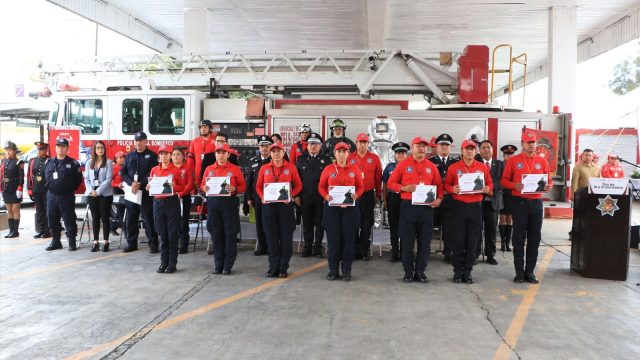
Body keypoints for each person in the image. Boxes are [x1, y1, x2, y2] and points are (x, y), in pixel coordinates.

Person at [387, 137, 443, 283]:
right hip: (408, 207)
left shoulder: (432, 166)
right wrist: (404, 188)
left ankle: (420, 271)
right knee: (407, 241)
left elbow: (440, 188)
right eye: (418, 146)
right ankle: (408, 272)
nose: (422, 149)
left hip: (426, 209)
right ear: (412, 147)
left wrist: (439, 199)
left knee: (425, 242)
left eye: (424, 146)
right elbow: (390, 183)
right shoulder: (402, 165)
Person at [500, 130, 552, 284]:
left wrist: (549, 185)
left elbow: (549, 180)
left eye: (533, 143)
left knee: (534, 239)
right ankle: (519, 273)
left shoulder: (542, 161)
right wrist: (513, 185)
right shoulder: (514, 161)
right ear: (522, 144)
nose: (531, 146)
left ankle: (530, 272)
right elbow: (503, 180)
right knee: (518, 239)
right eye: (528, 143)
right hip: (520, 204)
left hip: (536, 204)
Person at [444, 140, 493, 283]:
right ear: (462, 151)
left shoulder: (482, 167)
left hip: (476, 208)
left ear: (476, 151)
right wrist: (452, 189)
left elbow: (489, 183)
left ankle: (468, 272)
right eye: (467, 149)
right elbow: (446, 184)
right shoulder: (454, 167)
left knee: (473, 241)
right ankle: (457, 272)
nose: (470, 151)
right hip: (458, 207)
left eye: (472, 149)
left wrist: (488, 189)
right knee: (457, 241)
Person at [256, 142, 303, 278]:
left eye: (279, 151)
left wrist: (292, 195)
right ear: (270, 153)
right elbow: (258, 187)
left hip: (285, 207)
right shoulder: (264, 168)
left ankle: (283, 267)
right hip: (269, 207)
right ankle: (273, 267)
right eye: (273, 151)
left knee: (286, 238)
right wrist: (262, 196)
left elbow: (299, 185)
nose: (276, 153)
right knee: (271, 237)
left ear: (283, 153)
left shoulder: (291, 168)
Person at [318, 142, 364, 281]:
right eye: (339, 151)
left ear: (348, 154)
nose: (342, 154)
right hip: (332, 210)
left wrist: (357, 195)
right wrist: (326, 196)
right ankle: (333, 270)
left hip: (350, 210)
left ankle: (346, 270)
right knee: (333, 240)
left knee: (349, 241)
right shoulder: (328, 169)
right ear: (335, 153)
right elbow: (321, 187)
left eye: (344, 151)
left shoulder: (354, 169)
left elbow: (361, 187)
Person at [202, 143, 246, 274]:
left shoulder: (235, 169)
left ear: (228, 154)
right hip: (213, 204)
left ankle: (228, 265)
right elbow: (202, 184)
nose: (221, 155)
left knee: (230, 234)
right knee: (216, 235)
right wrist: (204, 188)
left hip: (229, 204)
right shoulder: (209, 169)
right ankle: (218, 264)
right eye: (218, 153)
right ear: (215, 155)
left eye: (223, 153)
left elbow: (243, 186)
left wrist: (235, 189)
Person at [120, 131, 159, 253]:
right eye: (136, 141)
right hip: (131, 191)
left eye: (141, 140)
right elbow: (123, 172)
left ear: (146, 141)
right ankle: (131, 243)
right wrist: (131, 183)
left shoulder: (152, 156)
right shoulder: (130, 155)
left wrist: (139, 183)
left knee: (148, 219)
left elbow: (152, 173)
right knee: (131, 219)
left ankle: (153, 244)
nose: (138, 143)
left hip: (145, 192)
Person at [148, 145, 185, 273]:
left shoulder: (175, 170)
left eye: (166, 153)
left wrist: (175, 186)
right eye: (161, 154)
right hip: (158, 203)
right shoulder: (154, 170)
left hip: (171, 202)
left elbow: (182, 186)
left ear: (170, 155)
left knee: (172, 234)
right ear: (159, 156)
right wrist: (149, 187)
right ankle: (163, 262)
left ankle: (172, 263)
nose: (164, 156)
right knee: (162, 234)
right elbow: (151, 184)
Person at [296, 132, 331, 258]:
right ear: (307, 145)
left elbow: (329, 181)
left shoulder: (326, 160)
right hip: (305, 197)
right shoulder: (300, 160)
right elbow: (296, 180)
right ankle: (307, 247)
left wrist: (327, 196)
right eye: (311, 144)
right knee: (307, 223)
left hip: (320, 198)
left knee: (320, 224)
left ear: (320, 146)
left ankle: (318, 247)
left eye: (316, 144)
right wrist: (297, 196)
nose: (313, 146)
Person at [44, 137, 83, 251]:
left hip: (66, 196)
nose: (60, 149)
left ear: (67, 149)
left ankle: (72, 242)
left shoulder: (73, 163)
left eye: (63, 146)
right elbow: (46, 178)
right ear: (55, 148)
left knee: (69, 219)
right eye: (58, 146)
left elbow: (78, 180)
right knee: (52, 219)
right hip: (51, 195)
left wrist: (68, 188)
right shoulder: (49, 162)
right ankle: (56, 242)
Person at [347, 133, 382, 260]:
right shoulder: (349, 157)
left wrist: (378, 194)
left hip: (368, 194)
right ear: (355, 143)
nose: (362, 144)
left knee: (367, 224)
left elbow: (378, 178)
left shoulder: (374, 158)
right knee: (353, 223)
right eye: (360, 142)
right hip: (353, 195)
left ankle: (364, 250)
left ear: (368, 144)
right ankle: (354, 249)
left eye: (365, 142)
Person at [429, 133, 459, 263]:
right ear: (436, 146)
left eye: (447, 145)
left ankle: (449, 252)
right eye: (442, 145)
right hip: (433, 200)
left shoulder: (456, 163)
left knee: (449, 228)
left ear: (450, 147)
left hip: (450, 201)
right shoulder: (430, 162)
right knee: (428, 227)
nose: (444, 147)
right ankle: (425, 251)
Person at [476, 140, 504, 265]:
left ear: (493, 149)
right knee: (476, 230)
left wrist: (491, 188)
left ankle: (490, 255)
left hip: (493, 202)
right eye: (483, 148)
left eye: (488, 147)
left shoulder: (499, 164)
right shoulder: (475, 163)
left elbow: (503, 181)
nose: (486, 150)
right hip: (477, 202)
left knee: (491, 230)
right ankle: (475, 253)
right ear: (479, 150)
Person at [84, 141, 114, 252]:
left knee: (105, 217)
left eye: (102, 147)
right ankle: (95, 242)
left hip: (105, 194)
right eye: (97, 148)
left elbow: (108, 179)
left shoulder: (109, 162)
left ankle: (106, 242)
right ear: (94, 150)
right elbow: (86, 179)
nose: (100, 150)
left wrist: (98, 191)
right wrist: (92, 191)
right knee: (95, 218)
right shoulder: (89, 163)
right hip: (91, 194)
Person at [246, 135, 273, 256]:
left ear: (270, 146)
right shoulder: (254, 162)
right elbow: (249, 182)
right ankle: (261, 246)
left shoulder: (275, 161)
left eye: (266, 145)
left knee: (270, 222)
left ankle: (271, 246)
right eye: (262, 145)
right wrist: (249, 198)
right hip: (257, 197)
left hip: (273, 196)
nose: (264, 148)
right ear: (258, 147)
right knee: (259, 222)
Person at [382, 142, 409, 262]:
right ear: (394, 155)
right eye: (398, 153)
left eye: (403, 153)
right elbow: (385, 185)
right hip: (393, 199)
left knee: (405, 226)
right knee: (393, 227)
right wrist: (385, 200)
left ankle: (404, 252)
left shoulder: (411, 167)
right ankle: (395, 252)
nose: (400, 155)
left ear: (406, 154)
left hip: (406, 199)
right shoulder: (389, 167)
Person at [172, 147, 195, 254]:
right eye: (174, 154)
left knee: (183, 222)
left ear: (183, 156)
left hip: (184, 198)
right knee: (173, 222)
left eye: (178, 154)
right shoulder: (169, 167)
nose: (175, 156)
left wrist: (181, 194)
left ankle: (183, 245)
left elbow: (190, 184)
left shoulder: (187, 168)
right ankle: (173, 244)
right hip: (171, 198)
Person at [27, 142, 51, 239]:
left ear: (46, 150)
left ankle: (48, 230)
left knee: (47, 210)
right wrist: (30, 190)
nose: (41, 151)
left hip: (47, 190)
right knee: (39, 211)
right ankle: (41, 230)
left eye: (43, 149)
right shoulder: (32, 161)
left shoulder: (49, 161)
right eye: (40, 149)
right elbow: (29, 176)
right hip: (36, 190)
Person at [1, 141, 24, 238]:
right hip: (6, 188)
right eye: (6, 150)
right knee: (9, 209)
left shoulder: (19, 162)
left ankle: (15, 231)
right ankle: (11, 231)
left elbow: (21, 176)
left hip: (15, 187)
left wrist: (20, 188)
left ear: (15, 151)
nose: (8, 152)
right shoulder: (3, 161)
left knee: (15, 209)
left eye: (10, 150)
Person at [498, 145, 517, 251]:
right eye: (507, 155)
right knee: (502, 218)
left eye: (511, 155)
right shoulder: (500, 165)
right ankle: (501, 243)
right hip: (502, 194)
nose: (508, 157)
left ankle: (507, 243)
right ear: (503, 155)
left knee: (510, 219)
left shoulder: (516, 165)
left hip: (512, 194)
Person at [188, 120, 217, 187]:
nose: (202, 129)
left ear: (210, 129)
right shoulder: (195, 141)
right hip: (198, 173)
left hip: (212, 173)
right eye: (201, 127)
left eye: (205, 127)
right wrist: (190, 173)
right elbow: (190, 159)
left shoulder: (216, 141)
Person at [110, 151, 126, 236]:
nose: (123, 159)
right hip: (117, 190)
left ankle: (113, 227)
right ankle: (125, 230)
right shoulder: (114, 168)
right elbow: (110, 181)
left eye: (123, 157)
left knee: (122, 211)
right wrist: (117, 185)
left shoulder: (125, 167)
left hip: (125, 190)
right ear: (116, 159)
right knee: (121, 210)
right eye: (120, 157)